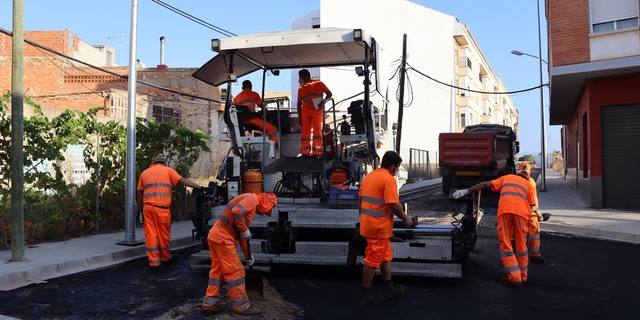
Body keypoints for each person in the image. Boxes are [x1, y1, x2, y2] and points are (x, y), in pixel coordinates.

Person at [452, 169, 537, 287]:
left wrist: (466, 191)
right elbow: (533, 205)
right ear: (527, 177)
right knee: (521, 246)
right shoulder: (529, 185)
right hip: (522, 215)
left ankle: (515, 278)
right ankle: (523, 276)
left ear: (517, 174)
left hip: (505, 212)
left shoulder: (507, 178)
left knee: (506, 244)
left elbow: (486, 184)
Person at [201, 192, 278, 315]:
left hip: (215, 237)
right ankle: (241, 306)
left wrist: (248, 256)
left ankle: (210, 303)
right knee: (236, 271)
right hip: (223, 239)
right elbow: (236, 212)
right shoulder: (253, 199)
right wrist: (244, 230)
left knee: (218, 271)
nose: (263, 213)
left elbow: (242, 236)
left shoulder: (249, 206)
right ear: (266, 204)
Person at [358, 150, 414, 304]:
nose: (397, 170)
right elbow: (393, 205)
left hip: (369, 224)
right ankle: (365, 294)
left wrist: (363, 218)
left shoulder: (369, 177)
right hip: (379, 228)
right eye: (397, 166)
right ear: (392, 166)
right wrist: (406, 219)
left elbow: (360, 200)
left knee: (385, 256)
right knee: (372, 260)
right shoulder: (388, 180)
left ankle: (389, 287)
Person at [137, 157, 205, 269]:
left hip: (148, 208)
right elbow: (182, 181)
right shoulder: (168, 170)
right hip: (162, 209)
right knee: (163, 234)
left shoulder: (144, 173)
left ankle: (153, 262)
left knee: (150, 234)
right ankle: (165, 257)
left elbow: (140, 193)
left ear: (152, 164)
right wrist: (199, 187)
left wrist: (141, 209)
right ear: (163, 164)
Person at [296, 68, 332, 159]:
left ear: (306, 76)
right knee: (305, 132)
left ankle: (317, 152)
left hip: (317, 111)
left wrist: (323, 102)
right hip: (305, 111)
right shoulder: (301, 88)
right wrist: (299, 116)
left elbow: (329, 94)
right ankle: (305, 152)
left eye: (301, 77)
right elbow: (299, 103)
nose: (300, 79)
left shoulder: (319, 84)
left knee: (317, 131)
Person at [520, 162, 545, 263]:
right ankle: (534, 254)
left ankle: (521, 254)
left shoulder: (527, 182)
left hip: (524, 212)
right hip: (529, 211)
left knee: (526, 233)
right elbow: (533, 201)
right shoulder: (531, 182)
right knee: (533, 232)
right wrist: (540, 215)